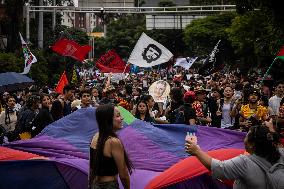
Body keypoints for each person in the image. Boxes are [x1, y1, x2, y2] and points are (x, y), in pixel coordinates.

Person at [185, 125, 284, 189]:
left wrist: (197, 151)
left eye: (246, 136)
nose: (243, 138)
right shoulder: (281, 152)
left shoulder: (244, 163)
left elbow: (219, 168)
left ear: (251, 144)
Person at [89, 105, 133, 189]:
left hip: (95, 185)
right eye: (118, 116)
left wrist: (90, 185)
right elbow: (123, 174)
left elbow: (91, 168)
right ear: (108, 120)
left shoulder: (95, 136)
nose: (122, 118)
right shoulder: (113, 141)